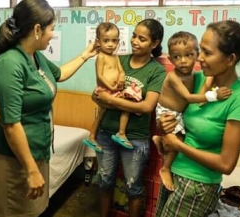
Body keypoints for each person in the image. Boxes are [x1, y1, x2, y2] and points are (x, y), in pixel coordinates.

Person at [0, 0, 98, 217]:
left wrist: (85, 55)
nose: (53, 35)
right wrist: (31, 170)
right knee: (17, 211)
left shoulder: (35, 56)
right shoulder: (9, 63)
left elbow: (60, 74)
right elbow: (10, 124)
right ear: (37, 29)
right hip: (14, 158)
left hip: (37, 150)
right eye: (51, 29)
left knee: (34, 210)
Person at [155, 20, 240, 217]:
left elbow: (226, 164)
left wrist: (179, 146)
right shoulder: (195, 80)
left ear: (230, 59)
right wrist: (162, 126)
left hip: (197, 186)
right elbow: (170, 126)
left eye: (207, 53)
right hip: (173, 173)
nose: (200, 59)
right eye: (200, 51)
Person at [92, 19, 166, 217]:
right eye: (134, 35)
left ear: (155, 43)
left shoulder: (156, 70)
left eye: (142, 39)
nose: (135, 41)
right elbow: (99, 95)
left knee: (133, 186)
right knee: (105, 181)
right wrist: (102, 97)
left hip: (134, 138)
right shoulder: (118, 59)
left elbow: (147, 106)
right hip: (106, 133)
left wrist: (111, 100)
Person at [152, 31, 232, 191]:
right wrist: (213, 96)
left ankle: (160, 141)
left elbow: (202, 89)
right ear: (170, 59)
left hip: (178, 114)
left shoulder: (195, 75)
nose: (183, 61)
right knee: (179, 138)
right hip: (166, 111)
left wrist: (210, 80)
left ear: (197, 55)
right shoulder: (173, 76)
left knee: (176, 137)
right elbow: (189, 97)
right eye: (176, 57)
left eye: (188, 55)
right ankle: (165, 168)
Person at [83, 22, 142, 153]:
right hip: (104, 90)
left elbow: (121, 71)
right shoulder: (101, 57)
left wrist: (121, 77)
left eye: (114, 41)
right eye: (106, 41)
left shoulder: (115, 57)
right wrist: (111, 87)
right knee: (124, 106)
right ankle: (115, 134)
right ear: (98, 42)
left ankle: (97, 136)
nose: (110, 44)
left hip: (114, 90)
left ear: (118, 42)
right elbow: (99, 76)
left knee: (105, 113)